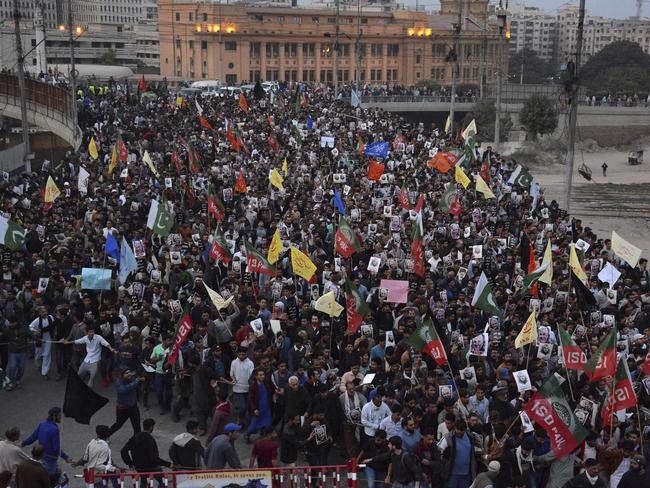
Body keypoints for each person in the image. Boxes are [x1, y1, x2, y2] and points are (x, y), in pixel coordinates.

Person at [21, 407, 70, 481]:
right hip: (50, 461)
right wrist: (66, 458)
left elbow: (33, 436)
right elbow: (56, 448)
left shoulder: (42, 424)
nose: (61, 417)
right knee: (51, 481)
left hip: (41, 458)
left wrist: (23, 443)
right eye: (59, 415)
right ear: (54, 416)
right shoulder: (54, 429)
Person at [120, 418, 171, 488]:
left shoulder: (135, 437)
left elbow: (123, 451)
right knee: (162, 481)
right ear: (151, 427)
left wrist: (130, 463)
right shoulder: (150, 439)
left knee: (144, 481)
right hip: (151, 467)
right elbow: (154, 459)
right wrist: (168, 464)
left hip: (139, 467)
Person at [440, 419, 476, 488]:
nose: (459, 432)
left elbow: (473, 454)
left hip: (466, 474)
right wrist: (444, 457)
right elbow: (438, 450)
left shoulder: (470, 437)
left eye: (462, 431)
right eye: (458, 430)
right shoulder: (448, 437)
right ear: (455, 428)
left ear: (465, 429)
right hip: (452, 474)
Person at [108, 368, 143, 436]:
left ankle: (137, 440)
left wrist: (141, 380)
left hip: (133, 407)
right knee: (118, 424)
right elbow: (123, 390)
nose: (129, 374)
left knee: (137, 426)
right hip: (123, 409)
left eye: (129, 372)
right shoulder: (119, 382)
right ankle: (106, 435)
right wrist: (135, 383)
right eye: (126, 373)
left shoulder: (132, 379)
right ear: (122, 375)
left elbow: (137, 377)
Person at [229, 347, 254, 426]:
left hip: (247, 389)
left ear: (246, 354)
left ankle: (242, 422)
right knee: (242, 407)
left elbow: (251, 375)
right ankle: (239, 421)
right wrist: (233, 379)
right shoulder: (234, 363)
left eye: (243, 354)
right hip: (237, 390)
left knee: (246, 407)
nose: (241, 356)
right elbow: (231, 374)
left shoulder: (250, 363)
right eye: (239, 354)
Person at [246, 368, 273, 441]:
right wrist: (254, 409)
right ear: (256, 376)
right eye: (260, 375)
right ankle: (247, 435)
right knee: (252, 427)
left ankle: (263, 434)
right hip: (258, 410)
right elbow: (250, 399)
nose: (262, 376)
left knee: (268, 424)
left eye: (263, 375)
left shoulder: (267, 384)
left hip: (266, 409)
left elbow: (271, 391)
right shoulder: (253, 387)